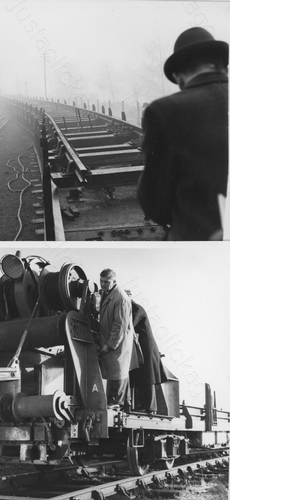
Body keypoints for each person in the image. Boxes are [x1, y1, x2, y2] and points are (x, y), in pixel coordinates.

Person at [137, 27, 229, 240]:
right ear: (222, 65)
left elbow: (154, 204)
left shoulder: (165, 111)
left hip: (201, 241)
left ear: (179, 76)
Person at [97, 269, 142, 409]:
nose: (103, 284)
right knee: (113, 370)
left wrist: (110, 345)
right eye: (101, 281)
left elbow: (120, 324)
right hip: (110, 339)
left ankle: (116, 401)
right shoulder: (106, 293)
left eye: (107, 282)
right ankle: (115, 400)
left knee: (118, 369)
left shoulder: (121, 297)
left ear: (114, 282)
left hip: (118, 341)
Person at [129, 299, 168, 413]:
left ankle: (151, 407)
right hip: (140, 346)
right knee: (141, 375)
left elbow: (130, 324)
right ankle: (144, 405)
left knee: (148, 376)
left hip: (146, 347)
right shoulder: (133, 309)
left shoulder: (137, 309)